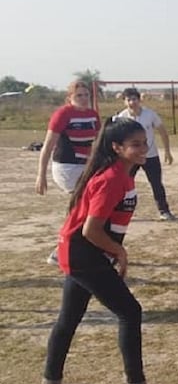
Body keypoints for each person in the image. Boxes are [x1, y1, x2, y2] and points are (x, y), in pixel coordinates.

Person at [39, 117, 174, 384]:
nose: (142, 148)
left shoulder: (122, 173)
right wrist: (119, 252)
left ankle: (51, 383)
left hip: (84, 252)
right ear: (116, 147)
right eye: (135, 144)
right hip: (83, 253)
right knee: (130, 312)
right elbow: (91, 230)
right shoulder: (111, 178)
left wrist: (113, 250)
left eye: (144, 142)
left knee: (69, 316)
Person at [35, 80, 101, 265]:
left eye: (86, 95)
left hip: (86, 166)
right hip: (67, 167)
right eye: (79, 95)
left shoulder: (92, 115)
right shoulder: (63, 114)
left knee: (89, 207)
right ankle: (62, 249)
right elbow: (47, 147)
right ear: (69, 98)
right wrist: (41, 174)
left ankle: (80, 246)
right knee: (83, 207)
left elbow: (97, 143)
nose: (84, 98)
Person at [116, 88, 176, 221]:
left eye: (134, 99)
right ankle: (119, 209)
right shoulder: (122, 117)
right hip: (130, 158)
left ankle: (164, 211)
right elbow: (116, 138)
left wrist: (167, 151)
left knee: (156, 183)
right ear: (124, 102)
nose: (132, 102)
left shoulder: (150, 114)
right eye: (129, 99)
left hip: (150, 155)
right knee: (124, 183)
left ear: (139, 100)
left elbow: (162, 131)